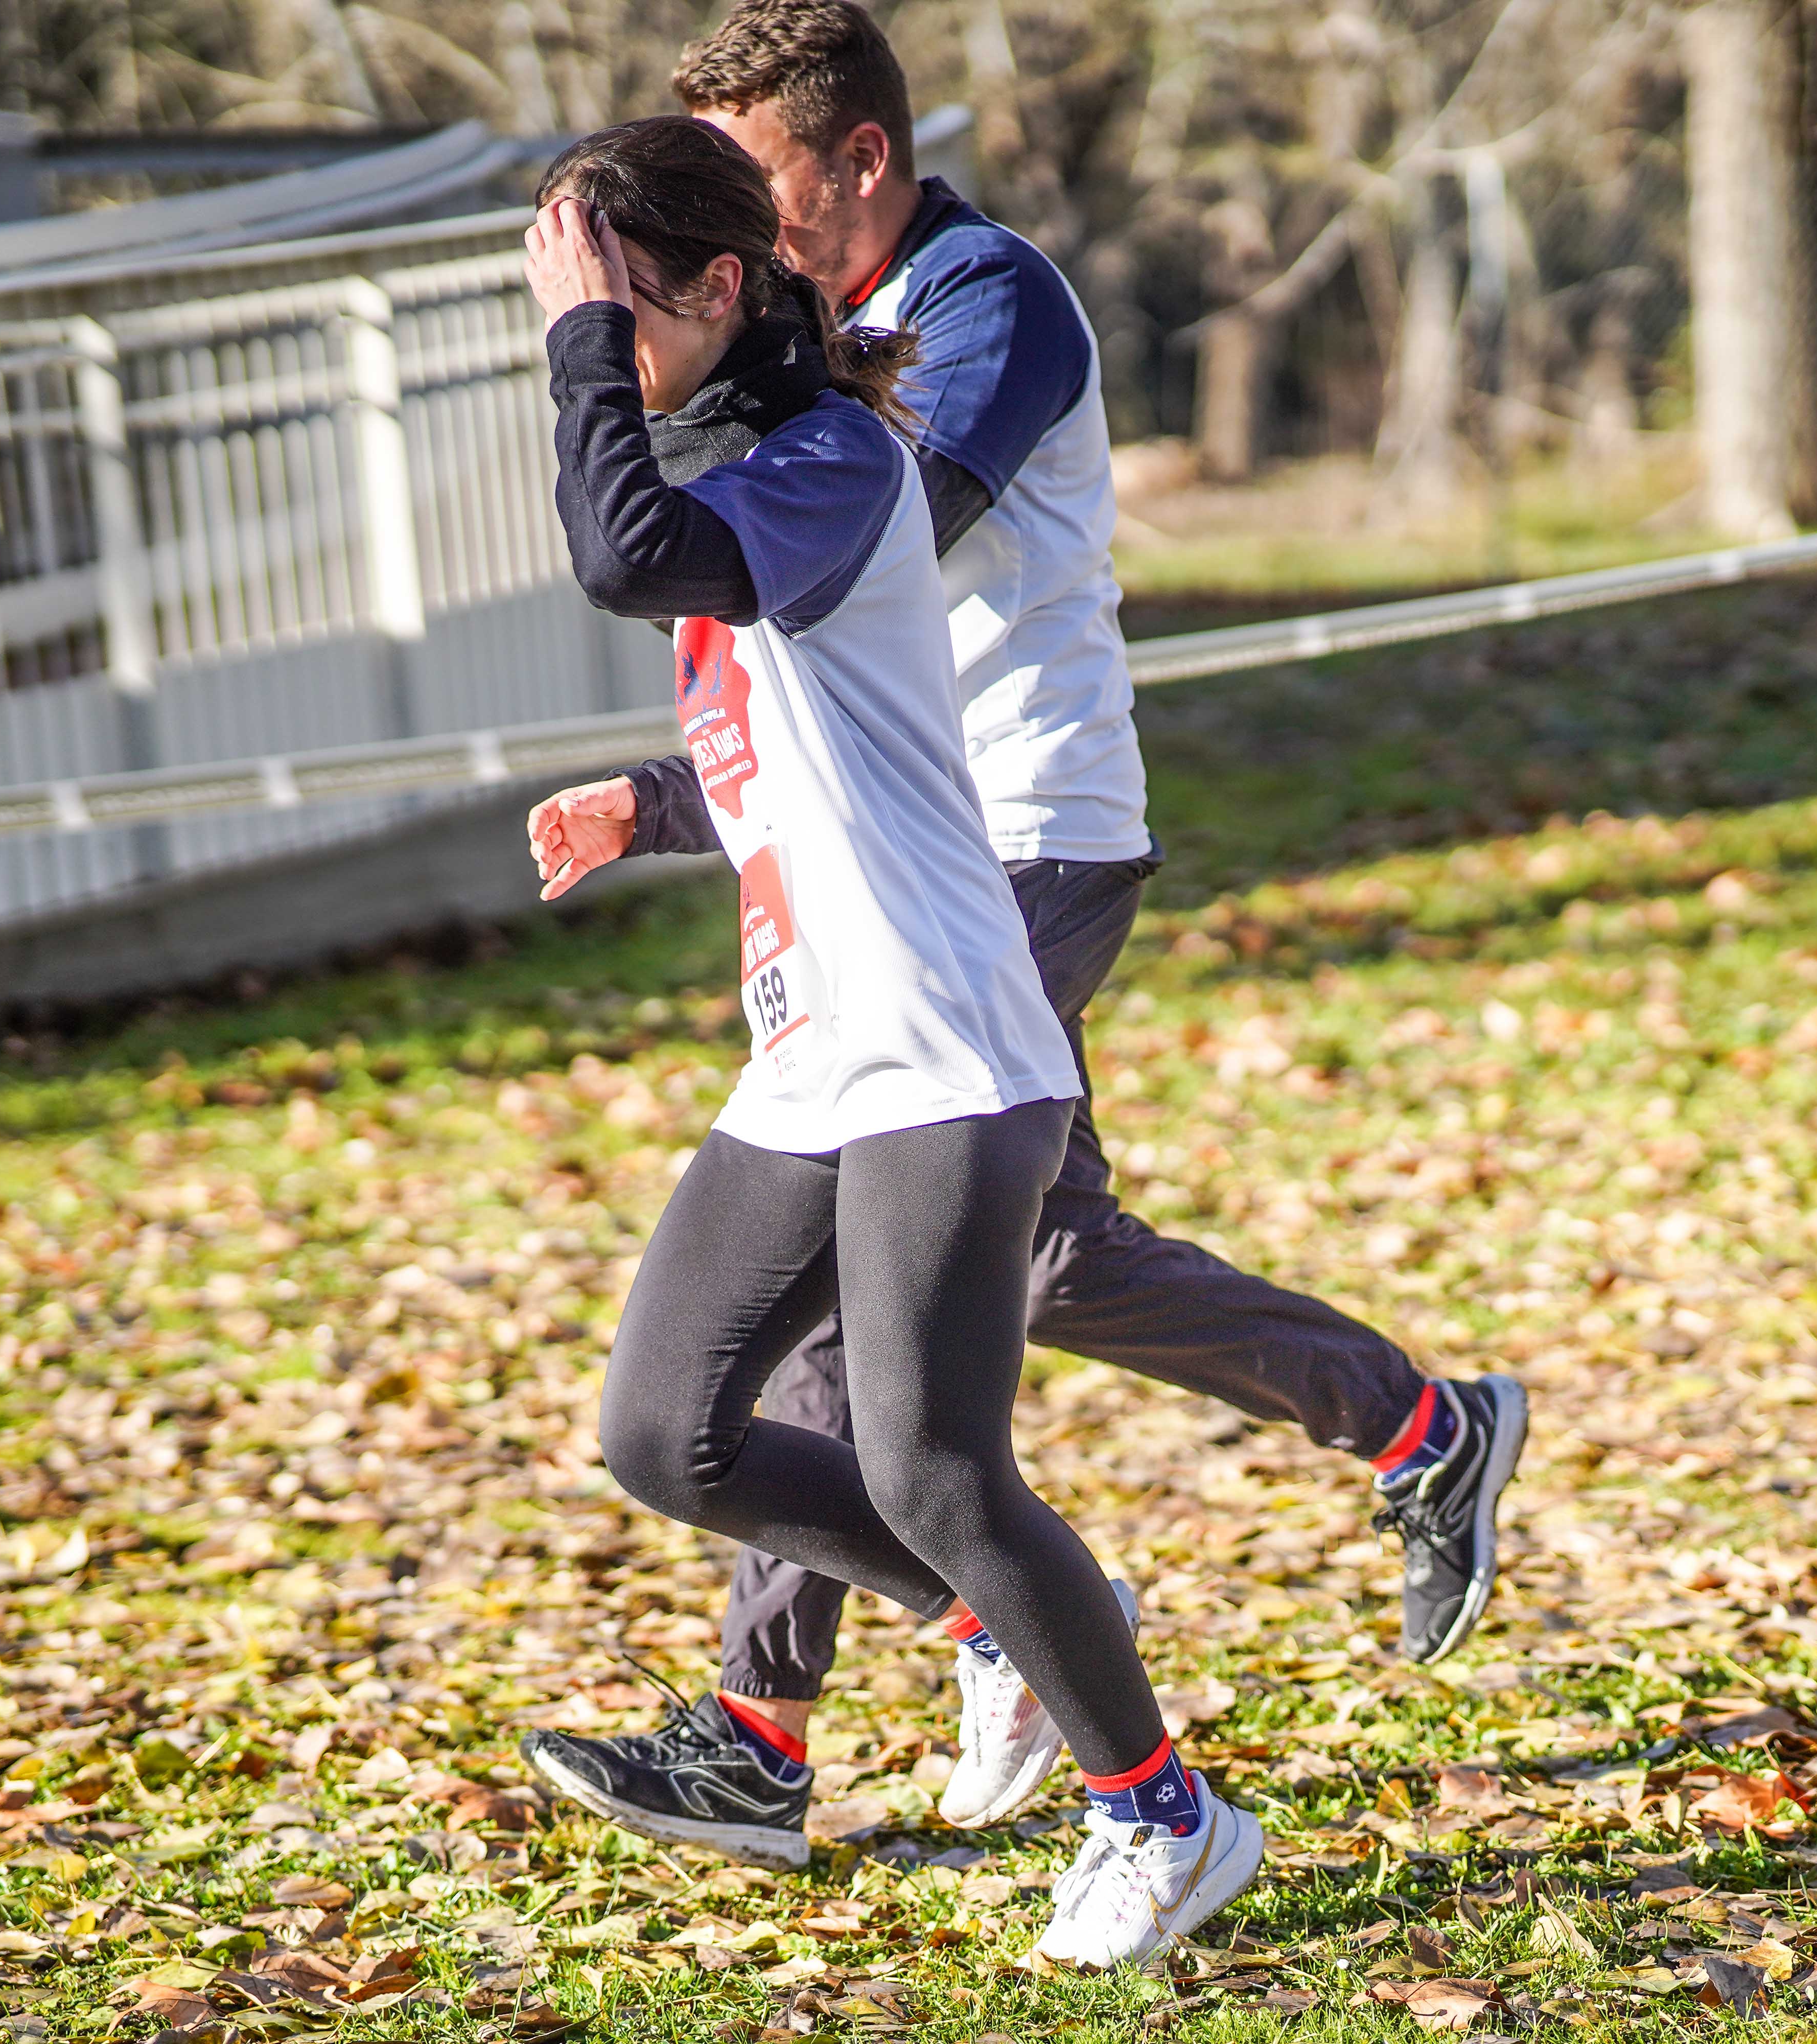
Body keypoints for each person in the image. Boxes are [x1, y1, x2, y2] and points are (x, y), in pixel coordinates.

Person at [518, 0, 1525, 1854]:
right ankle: (1407, 1427)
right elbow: (781, 681)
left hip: (1022, 831)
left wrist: (661, 365)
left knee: (862, 1297)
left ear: (863, 159)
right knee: (1028, 1264)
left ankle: (782, 1720)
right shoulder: (787, 374)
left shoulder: (979, 308)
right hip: (883, 852)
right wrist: (662, 799)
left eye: (758, 183)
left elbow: (868, 541)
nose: (737, 223)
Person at [510, 118, 1263, 1965]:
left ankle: (1161, 1816)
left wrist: (580, 351)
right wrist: (650, 805)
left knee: (933, 1465)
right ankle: (1017, 1613)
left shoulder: (839, 452)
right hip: (818, 1051)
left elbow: (625, 559)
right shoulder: (760, 465)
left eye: (610, 290)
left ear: (708, 287)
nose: (581, 325)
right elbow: (808, 741)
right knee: (665, 1437)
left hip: (945, 1035)